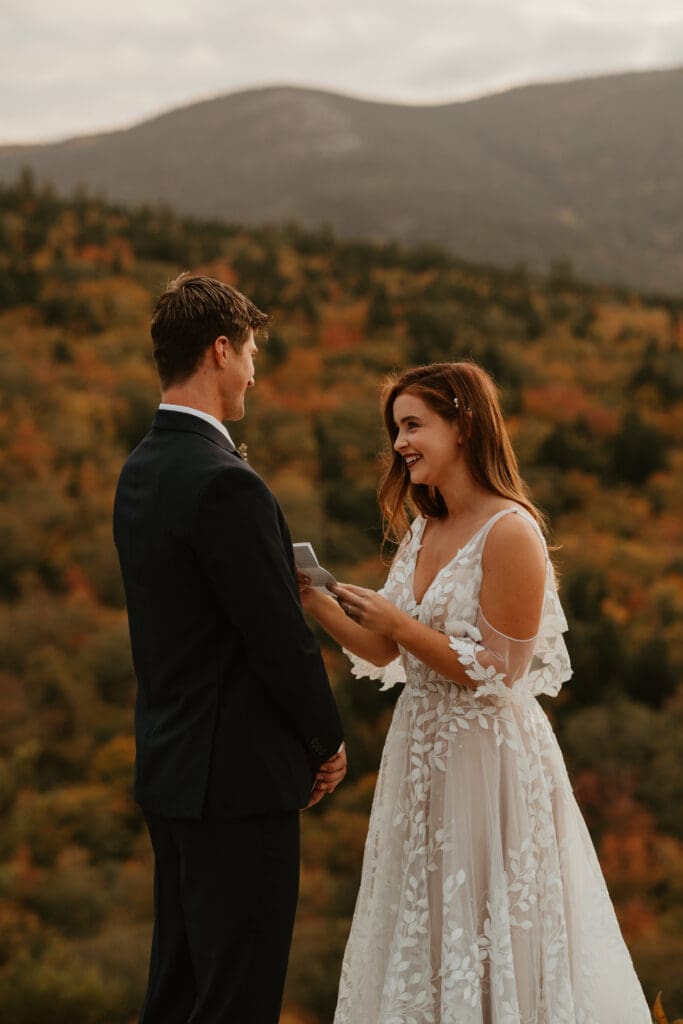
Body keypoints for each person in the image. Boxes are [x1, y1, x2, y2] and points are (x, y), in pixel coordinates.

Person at [299, 361, 651, 1023]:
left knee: (491, 924)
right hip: (421, 752)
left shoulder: (509, 531)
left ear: (462, 426)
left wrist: (399, 621)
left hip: (487, 758)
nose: (399, 443)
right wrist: (316, 601)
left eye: (413, 425)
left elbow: (501, 669)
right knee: (426, 919)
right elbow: (384, 650)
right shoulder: (425, 529)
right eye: (395, 428)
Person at [113, 273, 346, 1024]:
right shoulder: (226, 484)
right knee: (237, 1000)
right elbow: (278, 639)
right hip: (237, 782)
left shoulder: (140, 469)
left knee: (178, 994)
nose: (253, 371)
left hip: (170, 771)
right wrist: (326, 740)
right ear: (220, 351)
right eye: (248, 352)